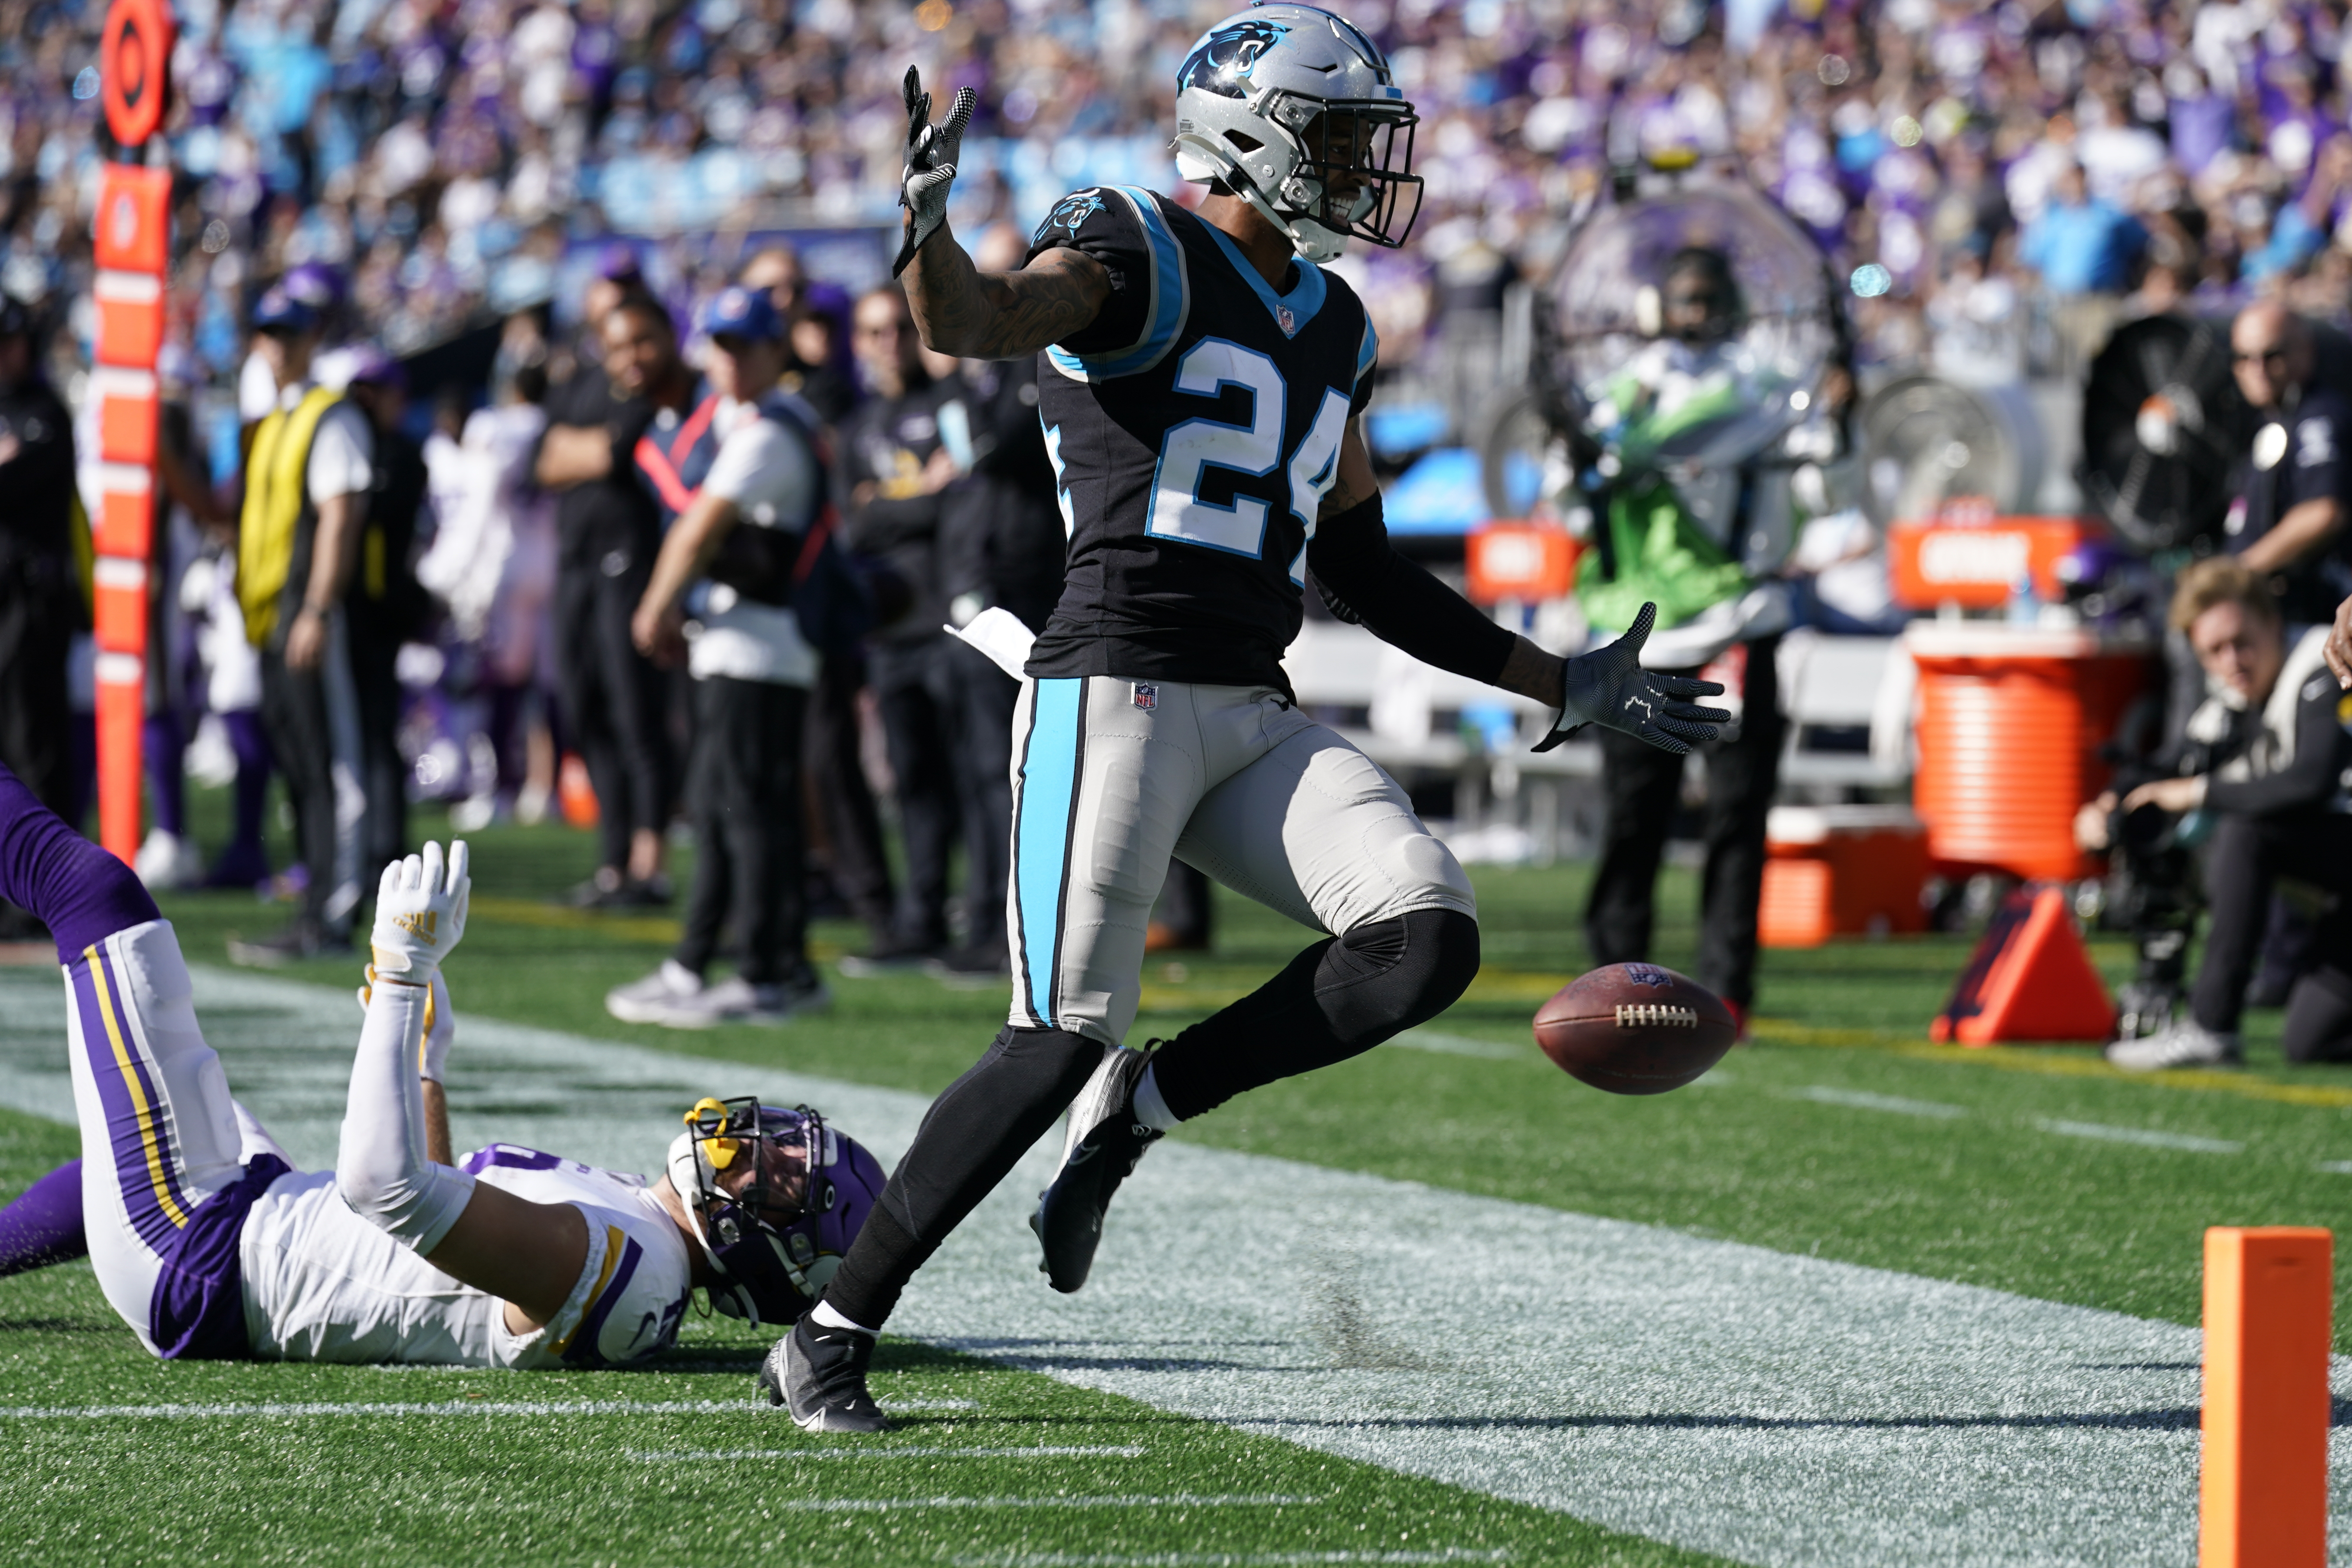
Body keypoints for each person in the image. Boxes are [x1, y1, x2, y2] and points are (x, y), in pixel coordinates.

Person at [759, 13, 1724, 1433]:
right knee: (1052, 1032)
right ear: (1251, 134)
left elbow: (1362, 565)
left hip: (1249, 704)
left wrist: (1557, 678)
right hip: (1114, 688)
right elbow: (978, 322)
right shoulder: (1135, 242)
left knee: (1423, 935)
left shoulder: (1332, 322)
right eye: (1336, 138)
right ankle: (830, 1332)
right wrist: (925, 233)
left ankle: (1145, 1105)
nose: (1359, 169)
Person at [0, 765, 886, 1361]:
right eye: (784, 1140)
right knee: (159, 1130)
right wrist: (426, 1067)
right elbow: (436, 1242)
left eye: (781, 1173)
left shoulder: (637, 1270)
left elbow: (382, 1188)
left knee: (94, 895)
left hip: (202, 1252)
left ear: (768, 1254)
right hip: (239, 1225)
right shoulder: (640, 1246)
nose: (759, 1142)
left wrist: (398, 975)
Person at [603, 285, 841, 1027]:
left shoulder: (770, 429)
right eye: (722, 346)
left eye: (746, 346)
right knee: (723, 807)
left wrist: (656, 603)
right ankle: (707, 961)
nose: (731, 361)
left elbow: (697, 529)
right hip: (741, 646)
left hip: (761, 649)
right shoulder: (753, 422)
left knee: (750, 813)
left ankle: (772, 972)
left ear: (776, 350)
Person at [1578, 246, 1793, 1038]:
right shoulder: (1618, 393)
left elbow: (1820, 494)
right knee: (1635, 815)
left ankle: (1728, 987)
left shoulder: (1766, 390)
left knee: (1738, 818)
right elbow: (1569, 502)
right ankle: (1611, 976)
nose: (1695, 314)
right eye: (1684, 298)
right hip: (1642, 634)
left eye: (1708, 298)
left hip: (1739, 624)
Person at [2084, 559, 2352, 1069]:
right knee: (2310, 1041)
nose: (2233, 660)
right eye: (2215, 651)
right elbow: (2169, 768)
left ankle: (2211, 1025)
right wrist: (2108, 805)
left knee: (2246, 832)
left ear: (2273, 623)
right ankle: (2159, 988)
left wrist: (2199, 792)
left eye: (2242, 641)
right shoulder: (2229, 704)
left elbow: (2311, 779)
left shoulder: (2327, 661)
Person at [929, 221, 1073, 983]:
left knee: (1012, 768)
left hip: (1025, 587)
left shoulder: (1040, 363)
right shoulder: (968, 378)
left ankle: (1012, 921)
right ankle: (982, 912)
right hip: (974, 585)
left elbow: (991, 448)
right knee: (976, 764)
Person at [227, 285, 376, 965]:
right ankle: (315, 901)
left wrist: (318, 607)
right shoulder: (279, 420)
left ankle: (335, 912)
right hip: (272, 614)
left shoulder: (328, 416)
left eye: (288, 331)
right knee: (302, 766)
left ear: (312, 336)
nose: (277, 343)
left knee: (332, 763)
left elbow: (340, 518)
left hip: (307, 610)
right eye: (268, 331)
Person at [834, 284, 968, 973]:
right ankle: (919, 919)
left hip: (951, 620)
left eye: (897, 328)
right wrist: (918, 496)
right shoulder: (860, 426)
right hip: (890, 630)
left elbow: (960, 497)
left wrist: (887, 503)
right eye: (872, 331)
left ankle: (979, 920)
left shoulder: (944, 405)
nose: (887, 342)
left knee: (973, 779)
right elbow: (852, 525)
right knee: (911, 782)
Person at [535, 289, 682, 908]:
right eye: (618, 343)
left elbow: (609, 450)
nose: (631, 356)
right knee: (586, 710)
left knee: (636, 715)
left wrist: (581, 450)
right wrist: (583, 451)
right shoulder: (587, 384)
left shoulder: (665, 395)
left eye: (641, 341)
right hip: (576, 567)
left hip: (633, 568)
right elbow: (544, 463)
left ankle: (649, 864)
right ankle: (612, 861)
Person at [0, 294, 80, 912]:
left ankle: (42, 899)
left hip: (31, 601)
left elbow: (17, 479)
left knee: (35, 746)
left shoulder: (43, 410)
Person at [342, 347, 430, 880]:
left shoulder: (399, 454)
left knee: (376, 732)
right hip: (361, 607)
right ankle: (366, 844)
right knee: (360, 733)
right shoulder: (374, 448)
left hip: (379, 610)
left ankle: (387, 847)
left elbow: (373, 516)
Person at [2222, 301, 2352, 627]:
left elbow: (2323, 512)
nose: (2258, 369)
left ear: (2305, 352)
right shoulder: (2269, 422)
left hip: (2315, 619)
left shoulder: (2318, 418)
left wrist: (2239, 572)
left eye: (2273, 355)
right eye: (2244, 358)